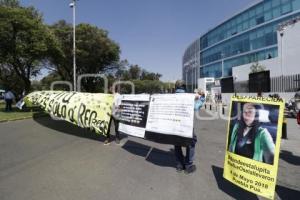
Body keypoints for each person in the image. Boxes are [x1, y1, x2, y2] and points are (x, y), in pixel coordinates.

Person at [174, 80, 205, 174]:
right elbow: (196, 107)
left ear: (176, 87)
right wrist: (202, 98)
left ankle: (179, 165)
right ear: (184, 87)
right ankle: (188, 165)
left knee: (176, 143)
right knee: (190, 143)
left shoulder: (171, 97)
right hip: (186, 126)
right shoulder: (188, 97)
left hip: (174, 126)